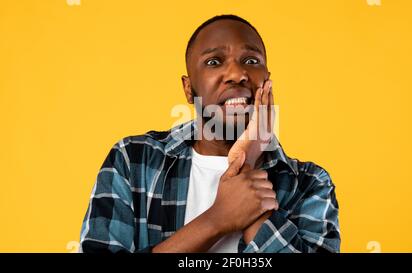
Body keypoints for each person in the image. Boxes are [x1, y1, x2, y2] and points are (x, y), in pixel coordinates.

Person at [79, 14, 340, 253]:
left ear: (268, 80)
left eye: (251, 61)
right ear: (188, 88)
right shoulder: (133, 160)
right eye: (214, 62)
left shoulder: (309, 184)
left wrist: (246, 169)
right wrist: (216, 219)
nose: (238, 74)